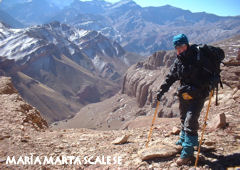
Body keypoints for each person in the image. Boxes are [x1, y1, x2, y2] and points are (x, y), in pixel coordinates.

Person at [156, 34, 212, 166]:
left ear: (186, 44)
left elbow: (209, 75)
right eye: (177, 48)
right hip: (185, 95)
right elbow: (171, 76)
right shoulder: (179, 61)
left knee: (190, 120)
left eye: (181, 46)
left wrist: (205, 85)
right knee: (183, 118)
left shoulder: (198, 58)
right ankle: (185, 141)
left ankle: (187, 154)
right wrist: (162, 90)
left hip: (198, 95)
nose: (179, 50)